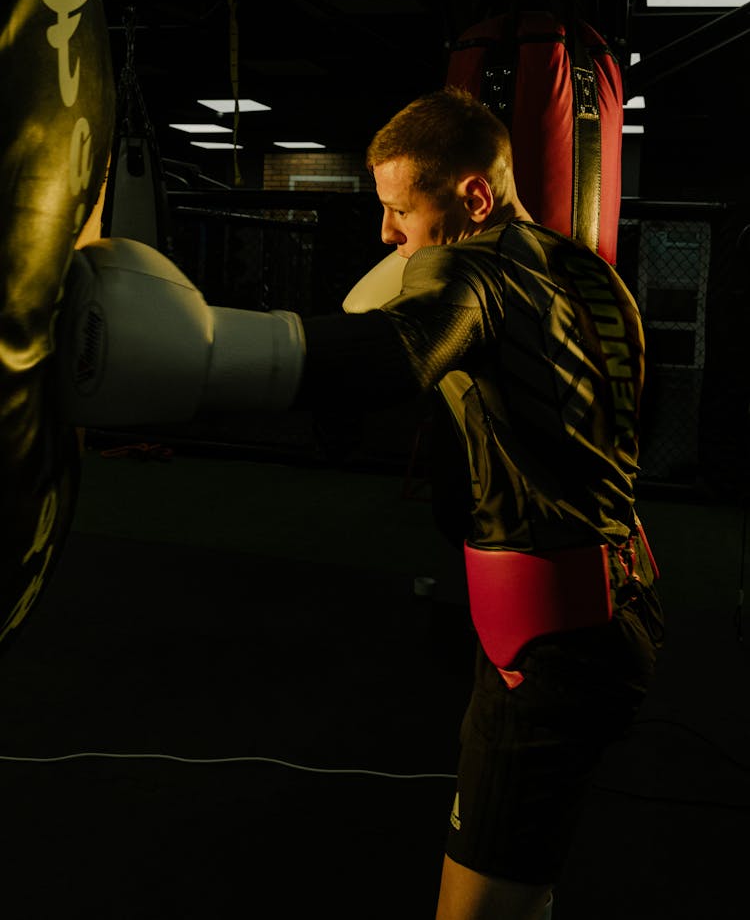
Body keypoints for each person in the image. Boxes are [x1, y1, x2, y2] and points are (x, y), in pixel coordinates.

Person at [56, 85, 663, 920]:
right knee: (526, 874)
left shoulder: (470, 269)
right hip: (612, 612)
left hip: (552, 647)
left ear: (474, 196)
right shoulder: (592, 279)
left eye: (398, 210)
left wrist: (200, 353)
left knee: (478, 904)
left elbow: (399, 350)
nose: (387, 233)